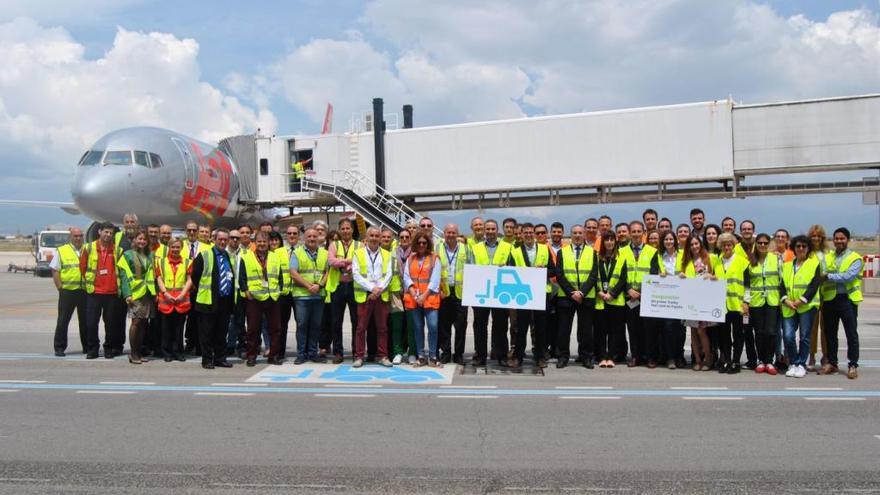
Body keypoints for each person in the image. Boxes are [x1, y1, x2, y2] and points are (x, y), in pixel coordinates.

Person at [468, 219, 513, 366]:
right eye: (488, 229)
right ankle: (480, 356)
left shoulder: (507, 247)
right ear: (484, 231)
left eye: (493, 229)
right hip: (482, 292)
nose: (490, 232)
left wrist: (506, 267)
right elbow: (471, 269)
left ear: (497, 230)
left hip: (500, 292)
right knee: (480, 325)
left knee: (500, 325)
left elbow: (513, 267)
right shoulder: (476, 248)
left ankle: (501, 356)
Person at [819, 227, 862, 379]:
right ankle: (832, 363)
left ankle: (852, 365)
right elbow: (821, 270)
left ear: (847, 240)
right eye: (836, 238)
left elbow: (848, 277)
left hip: (847, 300)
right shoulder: (828, 256)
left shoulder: (855, 258)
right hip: (830, 299)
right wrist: (828, 275)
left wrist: (829, 276)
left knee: (851, 334)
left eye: (842, 238)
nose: (839, 241)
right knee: (830, 333)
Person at [510, 222, 554, 368]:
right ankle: (518, 356)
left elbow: (554, 271)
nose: (528, 235)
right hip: (523, 294)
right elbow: (510, 272)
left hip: (541, 293)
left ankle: (540, 356)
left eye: (531, 232)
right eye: (526, 232)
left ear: (534, 234)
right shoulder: (515, 251)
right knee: (521, 328)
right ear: (521, 235)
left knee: (541, 327)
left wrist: (544, 270)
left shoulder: (544, 249)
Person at [190, 228, 235, 369]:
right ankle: (207, 359)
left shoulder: (228, 256)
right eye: (220, 239)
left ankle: (220, 358)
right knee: (207, 333)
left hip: (224, 300)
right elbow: (194, 277)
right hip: (207, 301)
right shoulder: (204, 255)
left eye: (225, 240)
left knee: (221, 333)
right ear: (214, 240)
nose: (222, 242)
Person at [555, 224, 598, 369]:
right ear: (571, 234)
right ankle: (563, 356)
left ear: (584, 234)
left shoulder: (592, 252)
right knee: (563, 329)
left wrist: (582, 292)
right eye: (575, 233)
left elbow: (593, 275)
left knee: (586, 330)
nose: (578, 235)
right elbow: (559, 275)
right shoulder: (562, 252)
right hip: (566, 297)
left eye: (580, 233)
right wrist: (572, 292)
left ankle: (586, 357)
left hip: (586, 297)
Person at [239, 231, 284, 367]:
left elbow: (280, 276)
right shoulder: (246, 257)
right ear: (255, 242)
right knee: (253, 329)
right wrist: (246, 291)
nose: (262, 244)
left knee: (275, 328)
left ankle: (273, 355)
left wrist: (279, 289)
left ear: (269, 242)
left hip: (272, 297)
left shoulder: (275, 257)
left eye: (264, 241)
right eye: (259, 241)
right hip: (255, 298)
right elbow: (242, 277)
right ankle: (251, 355)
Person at [780, 235, 821, 379]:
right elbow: (781, 286)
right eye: (798, 246)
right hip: (789, 306)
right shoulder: (786, 266)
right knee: (788, 336)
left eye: (804, 246)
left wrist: (801, 300)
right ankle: (794, 362)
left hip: (807, 306)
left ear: (808, 248)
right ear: (794, 248)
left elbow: (814, 285)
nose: (801, 249)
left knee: (804, 337)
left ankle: (801, 365)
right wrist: (786, 300)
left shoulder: (814, 264)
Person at [351, 227, 393, 368]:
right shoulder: (358, 253)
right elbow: (356, 274)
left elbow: (389, 274)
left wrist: (379, 289)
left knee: (382, 328)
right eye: (372, 236)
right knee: (361, 328)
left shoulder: (387, 254)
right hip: (365, 294)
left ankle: (383, 356)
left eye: (377, 236)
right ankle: (359, 356)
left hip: (380, 295)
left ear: (380, 238)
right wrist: (371, 288)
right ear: (367, 237)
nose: (374, 238)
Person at [80, 222, 123, 359]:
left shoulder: (117, 250)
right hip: (94, 292)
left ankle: (108, 348)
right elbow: (83, 268)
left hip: (111, 293)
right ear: (99, 232)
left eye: (111, 233)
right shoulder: (88, 248)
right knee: (92, 323)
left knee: (110, 324)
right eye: (106, 232)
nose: (108, 235)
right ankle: (93, 349)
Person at [624, 220, 663, 367]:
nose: (636, 234)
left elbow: (654, 274)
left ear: (643, 233)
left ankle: (650, 357)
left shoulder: (652, 252)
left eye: (638, 231)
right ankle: (635, 356)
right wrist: (629, 289)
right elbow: (620, 274)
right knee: (633, 328)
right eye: (633, 231)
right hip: (629, 297)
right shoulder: (622, 252)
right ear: (629, 233)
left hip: (646, 297)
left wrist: (641, 292)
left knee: (649, 329)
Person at [679, 234, 719, 371]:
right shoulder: (685, 261)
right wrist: (681, 276)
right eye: (691, 244)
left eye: (696, 244)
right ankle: (697, 360)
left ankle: (708, 359)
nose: (694, 246)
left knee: (702, 331)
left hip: (705, 301)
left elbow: (719, 276)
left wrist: (712, 276)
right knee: (694, 331)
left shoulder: (711, 258)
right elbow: (681, 278)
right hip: (690, 301)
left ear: (701, 244)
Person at [290, 227, 329, 364]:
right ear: (304, 238)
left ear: (318, 238)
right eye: (309, 237)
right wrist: (309, 286)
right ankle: (301, 354)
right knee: (302, 325)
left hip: (318, 295)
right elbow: (293, 272)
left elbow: (327, 272)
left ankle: (313, 353)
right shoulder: (297, 253)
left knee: (316, 325)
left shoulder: (324, 253)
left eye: (314, 236)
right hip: (302, 296)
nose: (312, 239)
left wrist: (319, 286)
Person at [404, 231, 443, 367]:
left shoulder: (434, 258)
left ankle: (432, 355)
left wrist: (423, 296)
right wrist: (415, 295)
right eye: (419, 242)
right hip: (415, 300)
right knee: (418, 328)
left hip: (430, 299)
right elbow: (407, 278)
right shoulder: (411, 258)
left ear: (428, 244)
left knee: (433, 327)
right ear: (415, 243)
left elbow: (435, 281)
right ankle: (421, 355)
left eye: (424, 242)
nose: (421, 245)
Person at [117, 230, 156, 364]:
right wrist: (127, 294)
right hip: (135, 294)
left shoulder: (149, 255)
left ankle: (139, 352)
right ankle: (133, 353)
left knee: (144, 324)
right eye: (139, 239)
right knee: (136, 323)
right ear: (134, 240)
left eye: (144, 239)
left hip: (147, 294)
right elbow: (124, 276)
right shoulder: (127, 255)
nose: (142, 242)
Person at [326, 218, 361, 363]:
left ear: (352, 230)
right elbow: (331, 261)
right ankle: (338, 353)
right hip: (338, 286)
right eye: (343, 228)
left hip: (353, 286)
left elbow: (360, 262)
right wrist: (348, 262)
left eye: (348, 228)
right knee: (336, 321)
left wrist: (344, 262)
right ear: (340, 230)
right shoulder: (334, 245)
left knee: (356, 321)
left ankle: (355, 352)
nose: (346, 231)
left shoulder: (359, 245)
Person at [715, 233, 750, 374]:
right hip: (722, 305)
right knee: (724, 335)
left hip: (738, 304)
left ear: (733, 245)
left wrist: (747, 302)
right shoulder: (718, 261)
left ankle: (736, 362)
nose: (726, 247)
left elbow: (747, 284)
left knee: (738, 335)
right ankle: (727, 361)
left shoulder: (742, 261)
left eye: (729, 244)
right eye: (723, 245)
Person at [749, 233, 781, 375]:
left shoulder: (776, 259)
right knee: (759, 332)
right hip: (756, 301)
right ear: (756, 243)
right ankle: (761, 360)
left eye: (765, 243)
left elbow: (781, 280)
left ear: (769, 244)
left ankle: (770, 360)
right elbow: (747, 283)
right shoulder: (749, 260)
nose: (762, 245)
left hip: (773, 301)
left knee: (771, 332)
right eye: (760, 243)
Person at [52, 227, 87, 356]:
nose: (78, 238)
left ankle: (87, 347)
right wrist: (60, 287)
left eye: (80, 236)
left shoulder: (87, 249)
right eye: (75, 236)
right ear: (70, 237)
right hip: (67, 291)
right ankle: (59, 347)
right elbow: (55, 270)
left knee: (85, 321)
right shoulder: (62, 250)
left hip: (84, 290)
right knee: (63, 320)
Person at [155, 237, 192, 362]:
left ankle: (178, 352)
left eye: (178, 247)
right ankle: (167, 352)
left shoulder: (187, 262)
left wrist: (182, 294)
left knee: (179, 327)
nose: (175, 249)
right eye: (173, 247)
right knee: (166, 328)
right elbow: (159, 279)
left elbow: (189, 279)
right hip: (166, 300)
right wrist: (165, 293)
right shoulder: (161, 262)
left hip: (181, 300)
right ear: (169, 248)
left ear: (181, 248)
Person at [595, 231, 628, 368]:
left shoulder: (621, 257)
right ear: (602, 242)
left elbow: (623, 279)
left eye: (611, 240)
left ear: (615, 242)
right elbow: (593, 276)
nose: (609, 242)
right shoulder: (597, 258)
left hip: (616, 300)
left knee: (615, 331)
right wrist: (599, 292)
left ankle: (612, 357)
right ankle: (602, 356)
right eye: (606, 240)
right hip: (600, 300)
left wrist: (612, 294)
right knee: (601, 330)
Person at [438, 224, 467, 365]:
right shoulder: (437, 248)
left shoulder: (465, 248)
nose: (450, 235)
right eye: (448, 232)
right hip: (444, 292)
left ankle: (459, 354)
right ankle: (446, 353)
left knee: (461, 326)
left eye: (453, 232)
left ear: (457, 234)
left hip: (461, 292)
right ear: (444, 234)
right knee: (444, 325)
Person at [658, 230, 686, 368]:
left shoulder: (683, 255)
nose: (668, 242)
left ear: (675, 240)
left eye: (671, 239)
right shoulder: (659, 256)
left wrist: (684, 274)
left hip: (682, 297)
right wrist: (658, 274)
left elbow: (691, 270)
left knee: (681, 329)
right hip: (666, 298)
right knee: (668, 327)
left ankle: (679, 356)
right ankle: (670, 358)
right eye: (666, 240)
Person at [806, 224, 829, 372]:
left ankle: (826, 356)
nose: (816, 238)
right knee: (811, 328)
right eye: (813, 236)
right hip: (811, 295)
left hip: (826, 294)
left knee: (826, 328)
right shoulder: (807, 253)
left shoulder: (828, 253)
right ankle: (812, 355)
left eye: (818, 236)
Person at [391, 228, 412, 363]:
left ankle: (412, 352)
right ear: (399, 238)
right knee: (397, 325)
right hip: (396, 293)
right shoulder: (392, 254)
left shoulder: (415, 253)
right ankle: (398, 352)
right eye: (402, 237)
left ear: (410, 238)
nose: (404, 239)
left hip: (411, 292)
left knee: (411, 324)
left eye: (406, 237)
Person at [226, 229, 246, 357]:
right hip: (226, 291)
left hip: (240, 291)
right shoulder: (222, 252)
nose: (234, 240)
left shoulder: (246, 253)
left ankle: (241, 346)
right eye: (232, 237)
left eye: (237, 238)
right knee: (226, 321)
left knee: (240, 321)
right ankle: (228, 345)